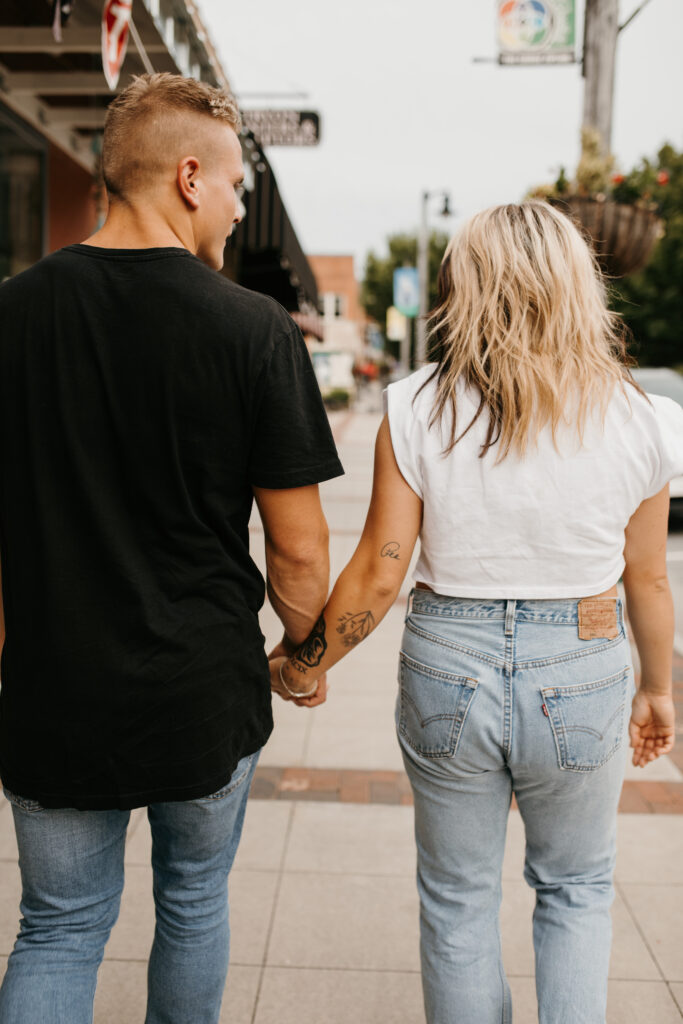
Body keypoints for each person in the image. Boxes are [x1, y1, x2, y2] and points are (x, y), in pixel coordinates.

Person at [272, 202, 682, 1024]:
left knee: (457, 898)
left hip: (446, 662)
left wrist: (305, 659)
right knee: (575, 890)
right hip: (581, 658)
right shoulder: (642, 419)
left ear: (472, 286)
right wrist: (657, 690)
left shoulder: (416, 407)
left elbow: (381, 574)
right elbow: (647, 579)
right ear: (578, 286)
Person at [0, 73, 341, 1024]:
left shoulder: (12, 315)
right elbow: (300, 553)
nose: (238, 210)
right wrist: (303, 653)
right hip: (199, 688)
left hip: (54, 686)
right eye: (236, 186)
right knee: (192, 905)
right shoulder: (253, 330)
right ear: (190, 177)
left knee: (59, 927)